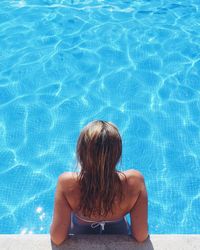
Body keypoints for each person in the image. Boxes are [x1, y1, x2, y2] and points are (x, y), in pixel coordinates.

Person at [50, 120, 148, 245]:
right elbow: (141, 236)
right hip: (120, 232)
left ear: (81, 152)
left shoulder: (67, 183)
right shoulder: (135, 181)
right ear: (117, 153)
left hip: (80, 234)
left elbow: (57, 238)